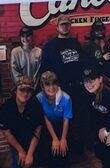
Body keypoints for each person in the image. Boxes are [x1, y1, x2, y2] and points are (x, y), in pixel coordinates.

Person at [37, 14, 86, 153]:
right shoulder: (50, 46)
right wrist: (48, 90)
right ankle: (58, 149)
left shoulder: (76, 43)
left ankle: (73, 149)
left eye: (67, 24)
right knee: (59, 120)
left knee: (74, 119)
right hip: (58, 89)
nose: (65, 26)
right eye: (62, 24)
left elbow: (81, 64)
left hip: (77, 87)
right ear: (57, 26)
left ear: (70, 26)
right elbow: (44, 70)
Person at [81, 66, 110, 168]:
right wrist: (101, 128)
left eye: (92, 80)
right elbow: (96, 115)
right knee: (104, 156)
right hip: (106, 129)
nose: (89, 84)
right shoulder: (91, 94)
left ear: (100, 79)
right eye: (86, 81)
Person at [0, 76, 43, 168]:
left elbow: (37, 130)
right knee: (18, 163)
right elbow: (7, 133)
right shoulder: (6, 108)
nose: (25, 93)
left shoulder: (35, 105)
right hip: (16, 142)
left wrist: (30, 154)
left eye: (28, 91)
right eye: (22, 90)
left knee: (34, 162)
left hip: (32, 141)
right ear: (15, 91)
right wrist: (21, 151)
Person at [36, 70, 72, 165]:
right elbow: (45, 118)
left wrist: (63, 138)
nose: (51, 87)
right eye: (47, 84)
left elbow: (66, 119)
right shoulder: (39, 98)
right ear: (42, 86)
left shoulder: (66, 98)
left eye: (54, 84)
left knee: (63, 149)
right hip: (46, 126)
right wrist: (55, 139)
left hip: (62, 125)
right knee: (50, 151)